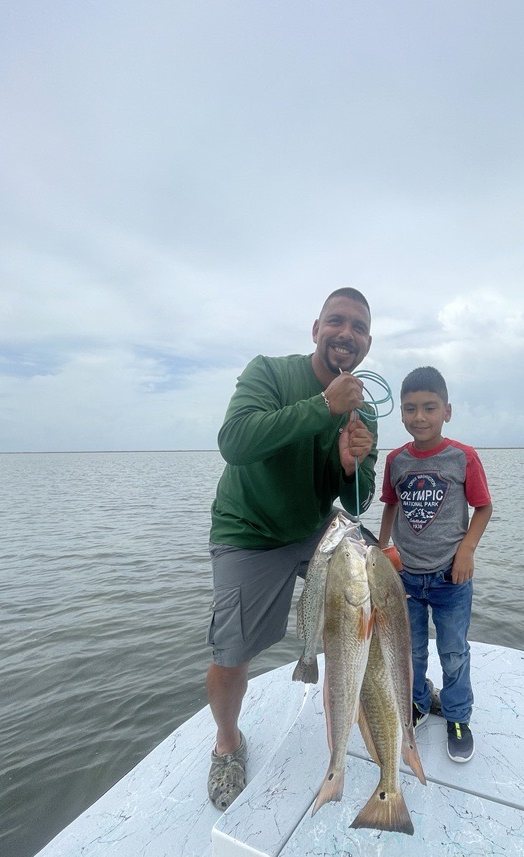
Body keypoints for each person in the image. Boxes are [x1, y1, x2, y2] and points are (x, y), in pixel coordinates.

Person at [205, 287, 377, 809]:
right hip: (248, 530)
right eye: (337, 322)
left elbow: (358, 497)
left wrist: (350, 467)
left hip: (314, 528)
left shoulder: (363, 412)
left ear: (368, 343)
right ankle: (227, 744)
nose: (346, 334)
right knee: (232, 653)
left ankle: (386, 699)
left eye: (359, 328)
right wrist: (323, 406)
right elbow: (234, 441)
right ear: (316, 329)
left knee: (381, 595)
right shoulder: (270, 374)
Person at [377, 366, 492, 763]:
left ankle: (458, 717)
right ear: (402, 414)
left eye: (429, 407)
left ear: (447, 410)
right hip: (406, 577)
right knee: (410, 651)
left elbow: (484, 507)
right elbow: (391, 504)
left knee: (454, 652)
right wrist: (381, 548)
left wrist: (467, 550)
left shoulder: (463, 457)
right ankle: (418, 702)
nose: (419, 417)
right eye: (410, 409)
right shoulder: (395, 461)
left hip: (451, 578)